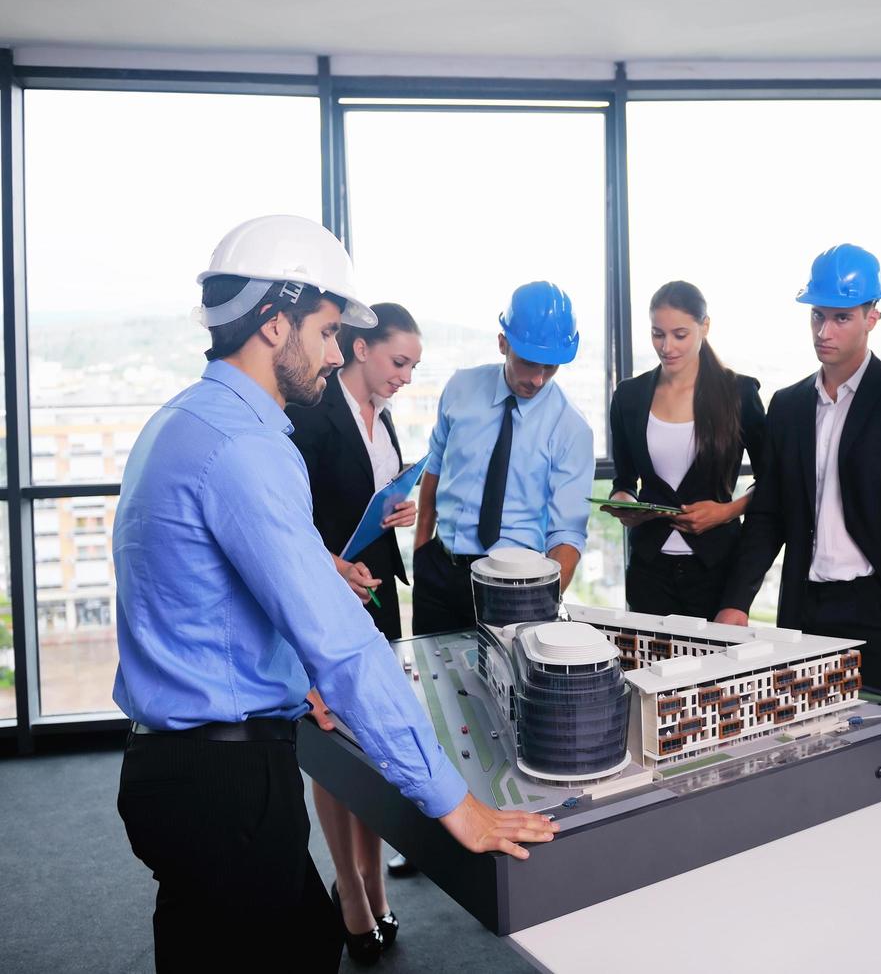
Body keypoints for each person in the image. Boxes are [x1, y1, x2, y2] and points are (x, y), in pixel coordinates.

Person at [112, 215, 557, 974]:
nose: (332, 354)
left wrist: (293, 674)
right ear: (273, 322)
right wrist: (454, 801)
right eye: (324, 333)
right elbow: (344, 648)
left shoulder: (182, 420)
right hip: (228, 784)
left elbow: (209, 602)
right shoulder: (247, 447)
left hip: (172, 771)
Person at [714, 244, 881, 702]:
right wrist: (736, 601)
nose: (824, 331)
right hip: (806, 612)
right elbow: (769, 513)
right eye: (817, 316)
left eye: (841, 317)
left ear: (873, 316)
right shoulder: (788, 406)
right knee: (810, 751)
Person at [286, 302, 422, 962]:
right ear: (361, 349)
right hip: (325, 593)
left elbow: (370, 493)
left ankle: (371, 876)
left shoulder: (385, 418)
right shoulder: (312, 413)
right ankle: (350, 888)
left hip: (375, 590)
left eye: (413, 367)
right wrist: (329, 569)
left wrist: (399, 509)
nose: (405, 377)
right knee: (334, 744)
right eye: (399, 362)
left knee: (371, 739)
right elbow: (289, 517)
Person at [412, 281, 594, 634]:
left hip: (516, 587)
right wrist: (421, 549)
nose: (539, 379)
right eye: (528, 363)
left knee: (505, 687)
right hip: (439, 570)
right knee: (429, 681)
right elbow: (435, 465)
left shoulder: (572, 428)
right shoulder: (460, 388)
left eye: (551, 367)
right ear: (502, 343)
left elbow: (567, 534)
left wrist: (543, 606)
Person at [606, 281, 766, 620]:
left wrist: (727, 511)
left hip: (716, 571)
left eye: (680, 334)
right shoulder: (629, 397)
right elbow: (623, 481)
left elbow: (774, 483)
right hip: (649, 571)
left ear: (704, 326)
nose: (667, 347)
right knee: (646, 671)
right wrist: (623, 502)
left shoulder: (739, 393)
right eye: (657, 334)